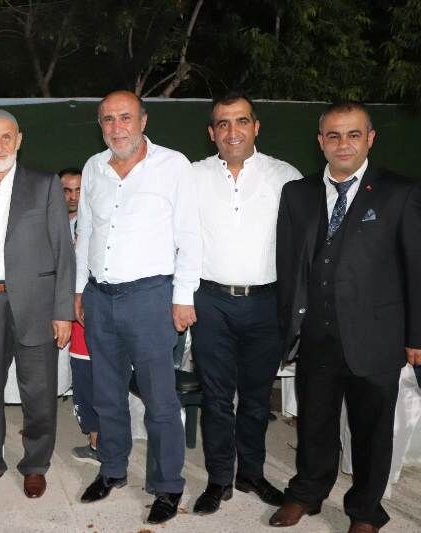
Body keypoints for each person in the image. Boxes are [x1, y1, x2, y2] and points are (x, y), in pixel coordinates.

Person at [271, 101, 421, 533]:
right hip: (315, 334)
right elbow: (288, 267)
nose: (343, 144)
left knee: (372, 431)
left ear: (370, 139)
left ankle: (365, 511)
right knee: (314, 422)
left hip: (376, 336)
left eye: (353, 134)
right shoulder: (297, 193)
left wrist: (416, 335)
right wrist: (287, 328)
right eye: (333, 135)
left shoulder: (400, 192)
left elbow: (417, 268)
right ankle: (307, 492)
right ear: (320, 141)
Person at [74, 90, 200, 525]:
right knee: (107, 393)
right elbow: (86, 234)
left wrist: (184, 296)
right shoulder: (93, 167)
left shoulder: (173, 165)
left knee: (159, 400)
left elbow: (190, 235)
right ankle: (112, 469)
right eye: (108, 119)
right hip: (99, 297)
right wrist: (78, 290)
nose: (117, 127)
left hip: (150, 299)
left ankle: (167, 486)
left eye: (125, 117)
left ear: (143, 121)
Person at [0, 109, 75, 499]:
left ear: (19, 140)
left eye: (6, 137)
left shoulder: (44, 185)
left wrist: (62, 311)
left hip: (36, 306)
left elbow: (63, 252)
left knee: (39, 393)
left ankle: (35, 465)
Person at [190, 92, 302, 515]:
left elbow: (302, 244)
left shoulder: (285, 176)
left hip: (267, 304)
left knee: (256, 398)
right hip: (210, 301)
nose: (232, 131)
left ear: (256, 127)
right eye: (223, 123)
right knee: (216, 397)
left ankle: (251, 473)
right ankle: (219, 478)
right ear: (211, 132)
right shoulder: (193, 176)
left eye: (241, 121)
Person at [59, 167, 99, 464]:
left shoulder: (97, 223)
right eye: (67, 190)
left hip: (87, 310)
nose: (73, 197)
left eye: (78, 190)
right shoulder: (49, 222)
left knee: (88, 375)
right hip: (58, 311)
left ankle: (98, 443)